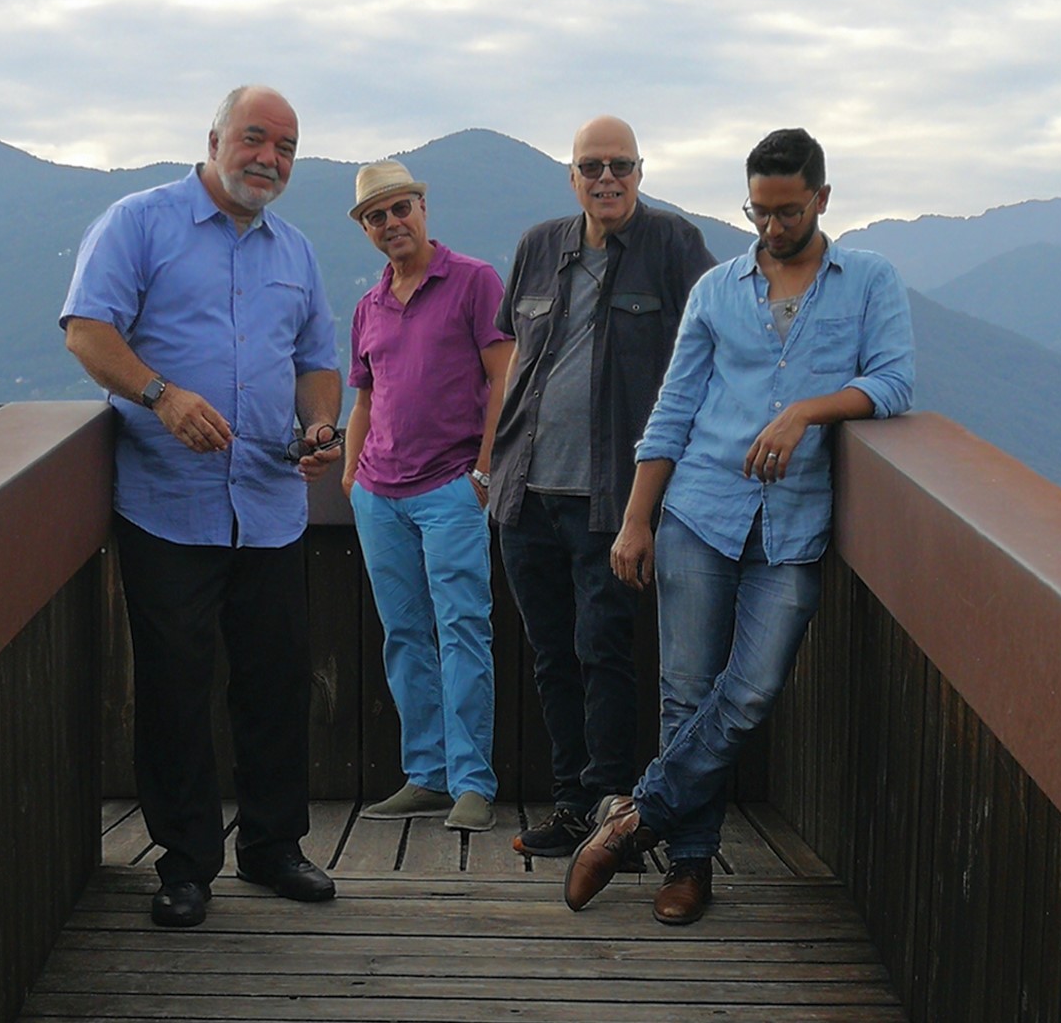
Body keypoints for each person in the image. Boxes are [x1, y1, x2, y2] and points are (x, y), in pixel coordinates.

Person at [563, 128, 915, 924]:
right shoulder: (717, 291)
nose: (772, 227)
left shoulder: (869, 281)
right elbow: (674, 410)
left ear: (822, 199)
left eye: (788, 212)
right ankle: (689, 866)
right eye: (759, 212)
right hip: (700, 510)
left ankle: (634, 821)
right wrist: (636, 521)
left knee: (751, 691)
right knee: (686, 693)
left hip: (794, 528)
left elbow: (895, 382)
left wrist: (807, 412)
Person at [58, 85, 342, 929]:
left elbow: (316, 361)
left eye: (285, 148)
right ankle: (185, 866)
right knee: (175, 691)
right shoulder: (138, 222)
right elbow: (87, 330)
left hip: (270, 505)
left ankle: (273, 848)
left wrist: (320, 424)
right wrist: (162, 396)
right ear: (215, 139)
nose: (269, 159)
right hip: (167, 506)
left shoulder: (296, 250)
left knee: (276, 685)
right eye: (255, 139)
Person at [488, 116, 717, 858]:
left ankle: (610, 805)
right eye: (592, 166)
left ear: (641, 172)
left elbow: (718, 349)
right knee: (552, 655)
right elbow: (513, 363)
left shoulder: (673, 245)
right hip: (525, 495)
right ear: (572, 176)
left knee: (604, 651)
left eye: (620, 165)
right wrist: (490, 464)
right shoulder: (537, 247)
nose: (606, 178)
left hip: (613, 500)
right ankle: (571, 807)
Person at [340, 161, 514, 832]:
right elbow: (364, 398)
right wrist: (351, 476)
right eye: (375, 216)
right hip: (378, 496)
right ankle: (427, 775)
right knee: (406, 636)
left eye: (399, 208)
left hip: (451, 487)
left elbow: (504, 378)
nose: (391, 223)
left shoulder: (474, 280)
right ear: (366, 229)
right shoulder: (368, 306)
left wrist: (484, 472)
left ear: (422, 207)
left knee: (463, 628)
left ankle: (472, 783)